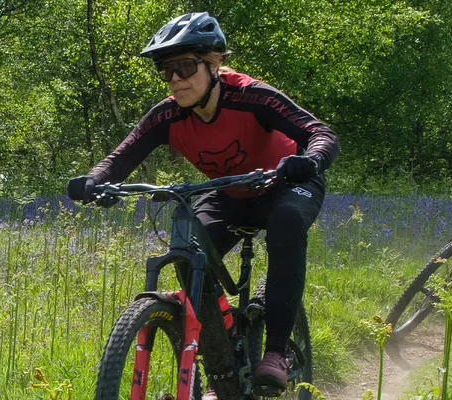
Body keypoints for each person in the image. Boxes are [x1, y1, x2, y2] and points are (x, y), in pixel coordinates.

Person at [66, 12, 339, 398]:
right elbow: (121, 157)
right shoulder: (168, 114)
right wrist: (95, 181)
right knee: (187, 253)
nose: (175, 79)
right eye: (167, 71)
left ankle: (275, 353)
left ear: (213, 64)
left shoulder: (251, 96)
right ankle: (222, 367)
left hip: (288, 182)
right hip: (230, 192)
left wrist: (309, 159)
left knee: (287, 225)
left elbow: (319, 132)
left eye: (185, 67)